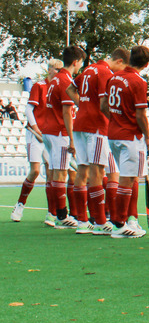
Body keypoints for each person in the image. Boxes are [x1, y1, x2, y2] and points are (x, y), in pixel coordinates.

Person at [70, 48, 129, 234]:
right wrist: (116, 122)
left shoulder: (89, 69)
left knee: (82, 169)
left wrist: (84, 106)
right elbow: (105, 103)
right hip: (95, 126)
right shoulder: (105, 72)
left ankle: (82, 221)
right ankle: (100, 222)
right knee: (98, 170)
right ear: (119, 61)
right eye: (123, 68)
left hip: (80, 124)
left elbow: (70, 88)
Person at [102, 46, 149, 239]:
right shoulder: (138, 81)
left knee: (129, 177)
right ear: (147, 64)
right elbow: (140, 115)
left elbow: (103, 105)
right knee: (126, 179)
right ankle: (119, 223)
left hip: (114, 133)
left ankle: (128, 220)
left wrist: (117, 119)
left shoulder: (113, 77)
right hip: (130, 136)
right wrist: (148, 136)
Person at [44, 46, 86, 229]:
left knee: (55, 172)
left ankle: (56, 213)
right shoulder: (65, 80)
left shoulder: (55, 80)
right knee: (61, 173)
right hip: (59, 131)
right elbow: (67, 112)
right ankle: (62, 215)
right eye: (81, 63)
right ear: (76, 62)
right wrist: (71, 139)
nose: (80, 67)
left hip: (50, 130)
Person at [10, 66, 55, 222]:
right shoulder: (39, 86)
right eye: (55, 69)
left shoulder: (58, 87)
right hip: (35, 134)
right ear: (50, 70)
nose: (57, 72)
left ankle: (51, 212)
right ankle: (20, 205)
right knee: (35, 171)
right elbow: (29, 110)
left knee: (51, 172)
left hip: (50, 135)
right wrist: (36, 129)